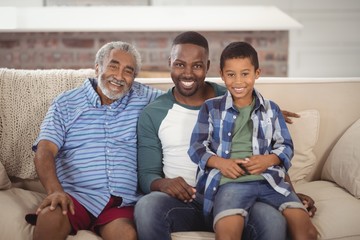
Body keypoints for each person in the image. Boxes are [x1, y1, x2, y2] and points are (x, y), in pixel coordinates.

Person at [135, 31, 316, 240]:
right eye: (179, 64)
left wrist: (288, 192)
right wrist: (164, 184)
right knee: (146, 206)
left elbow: (264, 140)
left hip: (236, 189)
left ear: (208, 66)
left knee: (272, 220)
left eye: (197, 65)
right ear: (169, 63)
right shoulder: (154, 112)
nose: (187, 73)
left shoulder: (230, 95)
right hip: (186, 199)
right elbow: (147, 174)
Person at [27, 41, 163, 240]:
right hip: (76, 197)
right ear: (97, 67)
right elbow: (45, 150)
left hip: (120, 202)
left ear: (134, 77)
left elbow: (181, 99)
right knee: (49, 218)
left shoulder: (146, 97)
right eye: (113, 66)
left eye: (128, 71)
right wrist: (55, 191)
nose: (119, 76)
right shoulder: (66, 103)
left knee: (126, 235)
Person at [188, 41, 318, 240]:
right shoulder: (211, 108)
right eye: (231, 74)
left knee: (306, 232)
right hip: (230, 183)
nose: (238, 81)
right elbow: (197, 147)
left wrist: (269, 160)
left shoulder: (271, 109)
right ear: (222, 75)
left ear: (257, 73)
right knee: (227, 233)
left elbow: (286, 146)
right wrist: (221, 163)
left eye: (245, 73)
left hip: (270, 181)